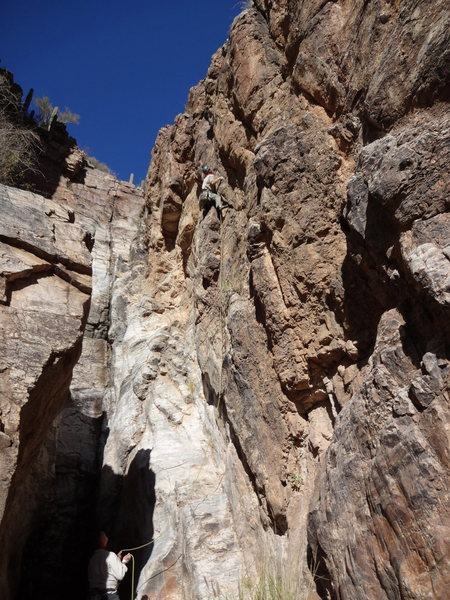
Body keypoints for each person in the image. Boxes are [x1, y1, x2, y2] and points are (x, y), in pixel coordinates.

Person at [88, 531, 132, 600]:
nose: (107, 538)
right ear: (102, 540)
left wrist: (117, 561)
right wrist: (124, 562)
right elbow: (120, 575)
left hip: (94, 596)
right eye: (105, 537)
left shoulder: (92, 558)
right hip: (110, 596)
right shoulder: (111, 555)